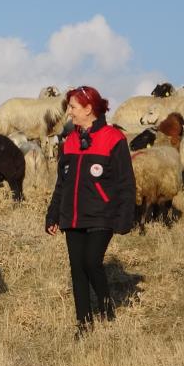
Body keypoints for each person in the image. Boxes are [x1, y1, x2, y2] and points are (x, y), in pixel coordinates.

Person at [45, 85, 135, 337]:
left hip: (101, 214)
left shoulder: (114, 139)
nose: (69, 112)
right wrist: (53, 215)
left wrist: (124, 217)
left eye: (73, 107)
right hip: (72, 216)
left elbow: (125, 182)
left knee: (91, 262)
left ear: (88, 109)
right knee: (77, 268)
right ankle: (83, 323)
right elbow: (61, 183)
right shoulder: (70, 141)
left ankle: (107, 308)